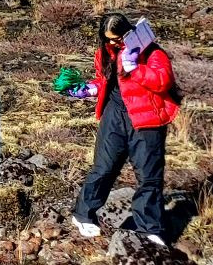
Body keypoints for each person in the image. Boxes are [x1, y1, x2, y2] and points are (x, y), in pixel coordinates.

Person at [72, 13, 179, 245]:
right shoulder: (104, 54)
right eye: (108, 39)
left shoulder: (152, 52)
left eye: (118, 39)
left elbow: (163, 81)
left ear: (129, 33)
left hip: (147, 119)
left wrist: (136, 69)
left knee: (149, 175)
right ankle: (83, 215)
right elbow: (105, 80)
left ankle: (149, 228)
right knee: (104, 168)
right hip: (114, 115)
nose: (114, 43)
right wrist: (89, 89)